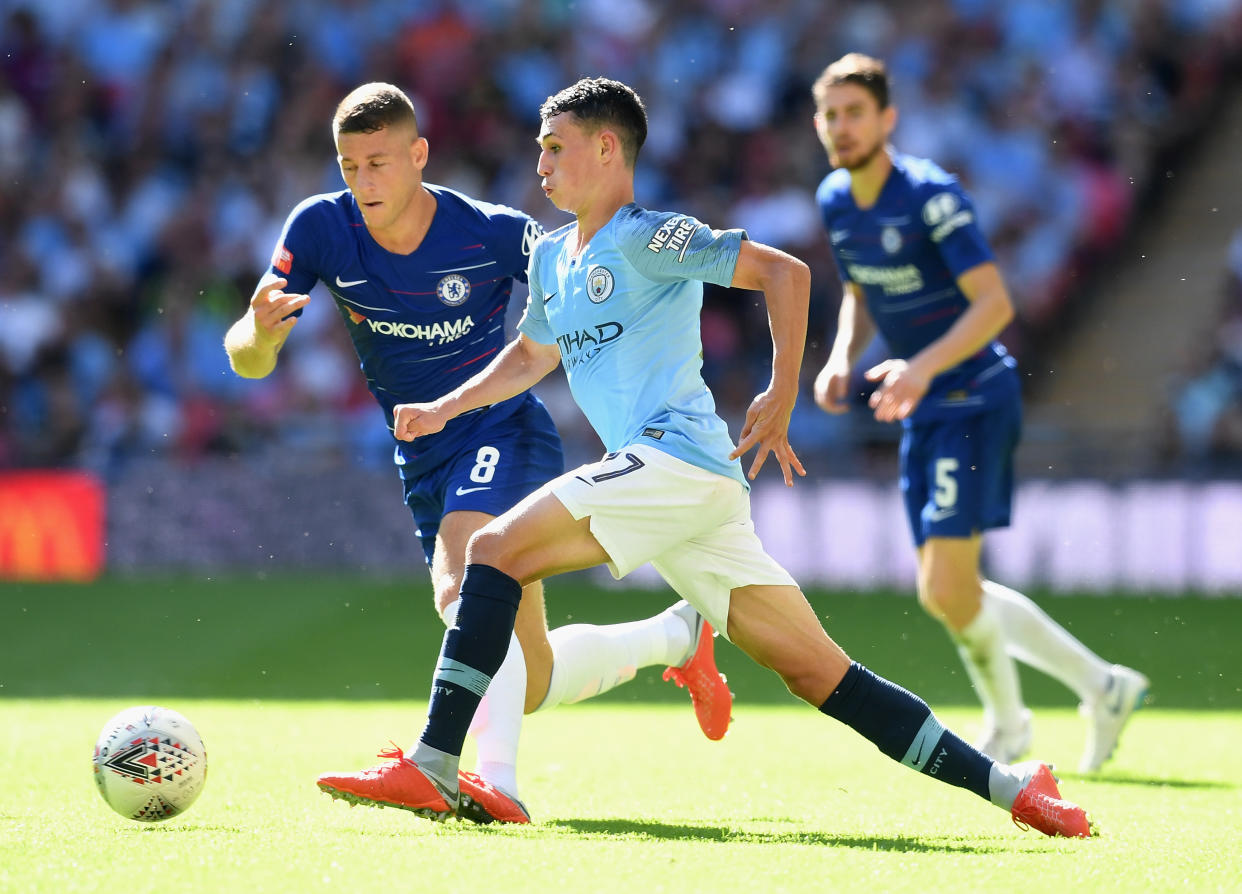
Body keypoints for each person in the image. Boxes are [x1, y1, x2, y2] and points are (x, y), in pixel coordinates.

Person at [316, 76, 1093, 838]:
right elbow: (527, 356)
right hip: (688, 495)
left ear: (609, 148)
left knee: (493, 549)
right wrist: (447, 407)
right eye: (540, 150)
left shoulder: (651, 235)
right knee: (819, 673)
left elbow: (783, 274)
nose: (543, 165)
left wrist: (781, 391)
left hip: (675, 461)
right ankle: (1016, 788)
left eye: (557, 149)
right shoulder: (552, 256)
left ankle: (434, 760)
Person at [223, 82, 732, 825]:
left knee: (461, 579)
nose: (364, 183)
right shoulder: (321, 228)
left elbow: (591, 286)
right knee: (523, 680)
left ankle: (493, 784)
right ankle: (677, 634)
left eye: (380, 163)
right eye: (349, 166)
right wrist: (261, 333)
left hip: (501, 432)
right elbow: (247, 360)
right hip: (422, 454)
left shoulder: (491, 232)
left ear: (419, 156)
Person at [808, 53, 1148, 773]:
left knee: (945, 588)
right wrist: (842, 355)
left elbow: (996, 303)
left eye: (854, 112)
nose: (840, 127)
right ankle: (1101, 685)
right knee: (946, 590)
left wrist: (923, 365)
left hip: (972, 396)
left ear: (888, 118)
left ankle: (1012, 724)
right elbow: (861, 291)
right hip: (924, 404)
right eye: (829, 115)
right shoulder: (836, 198)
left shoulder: (931, 196)